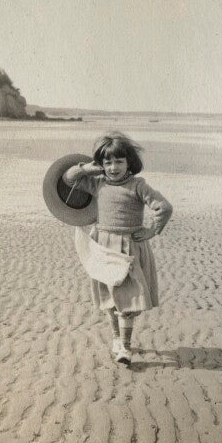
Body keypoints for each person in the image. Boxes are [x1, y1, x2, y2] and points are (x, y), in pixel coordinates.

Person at [63, 132, 172, 365]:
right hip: (103, 247)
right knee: (109, 299)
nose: (113, 168)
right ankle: (115, 338)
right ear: (101, 165)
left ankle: (125, 347)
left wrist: (153, 230)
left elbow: (163, 207)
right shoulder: (98, 183)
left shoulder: (137, 185)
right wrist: (88, 167)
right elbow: (69, 178)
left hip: (128, 248)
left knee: (127, 301)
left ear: (129, 162)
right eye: (108, 162)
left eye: (119, 161)